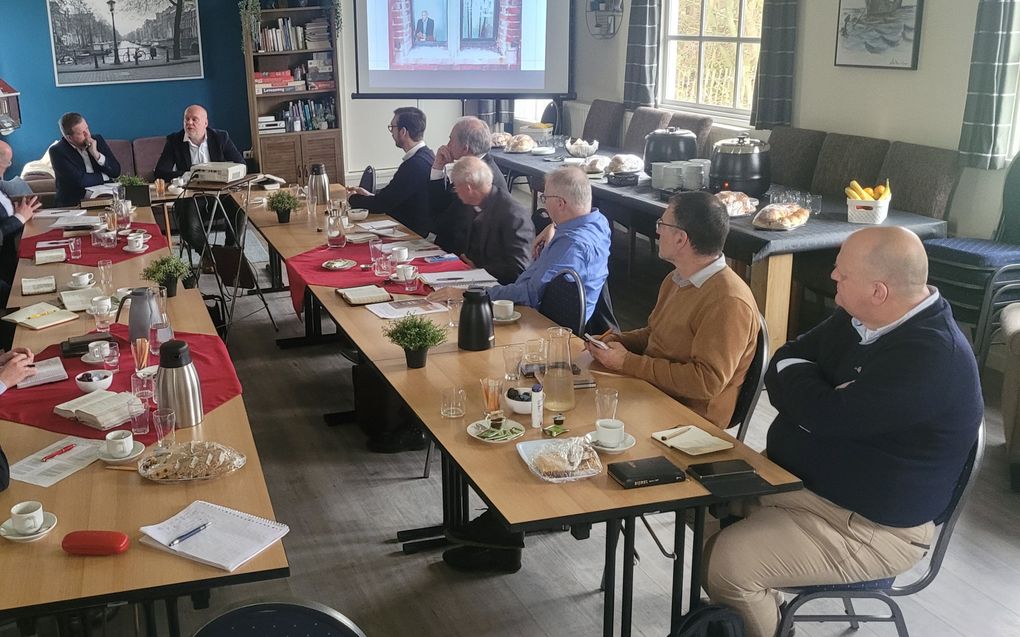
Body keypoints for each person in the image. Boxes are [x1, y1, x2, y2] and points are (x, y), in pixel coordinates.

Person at [704, 227, 983, 637]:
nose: (832, 275)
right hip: (799, 485)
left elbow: (825, 416)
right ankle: (756, 614)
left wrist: (817, 400)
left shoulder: (932, 357)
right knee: (697, 497)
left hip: (869, 525)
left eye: (842, 273)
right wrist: (822, 396)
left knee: (726, 566)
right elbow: (785, 360)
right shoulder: (858, 318)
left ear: (879, 291)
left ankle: (760, 618)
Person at [586, 192, 759, 428]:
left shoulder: (729, 301)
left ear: (680, 239)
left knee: (588, 422)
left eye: (662, 224)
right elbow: (656, 334)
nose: (657, 231)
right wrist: (615, 341)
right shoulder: (676, 278)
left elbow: (706, 383)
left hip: (689, 421)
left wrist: (627, 362)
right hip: (652, 393)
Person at [430, 166, 610, 324]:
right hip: (534, 303)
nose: (543, 203)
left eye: (544, 197)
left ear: (561, 204)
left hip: (538, 321)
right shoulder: (599, 223)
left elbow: (528, 295)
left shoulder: (570, 246)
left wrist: (468, 294)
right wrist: (553, 226)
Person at [154, 105, 246, 250]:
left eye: (194, 119)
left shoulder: (221, 137)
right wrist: (189, 175)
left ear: (205, 123)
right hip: (191, 197)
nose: (189, 123)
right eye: (186, 119)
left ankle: (231, 252)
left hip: (220, 194)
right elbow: (160, 172)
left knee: (240, 210)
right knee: (189, 227)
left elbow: (240, 164)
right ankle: (210, 256)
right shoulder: (174, 141)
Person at [346, 107, 435, 236]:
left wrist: (352, 198)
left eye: (392, 127)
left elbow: (382, 205)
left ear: (403, 131)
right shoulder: (427, 155)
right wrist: (368, 196)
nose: (391, 132)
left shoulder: (415, 165)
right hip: (407, 229)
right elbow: (392, 198)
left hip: (412, 235)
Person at [428, 116, 508, 255]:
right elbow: (443, 206)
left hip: (468, 257)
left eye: (451, 140)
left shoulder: (478, 178)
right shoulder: (476, 167)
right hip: (457, 245)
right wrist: (438, 167)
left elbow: (443, 223)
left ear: (465, 148)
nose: (447, 145)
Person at [447, 156, 533, 285]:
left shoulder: (513, 215)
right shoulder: (475, 203)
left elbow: (518, 269)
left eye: (456, 187)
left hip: (501, 290)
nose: (455, 192)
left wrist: (478, 270)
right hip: (473, 279)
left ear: (468, 188)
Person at [0, 141, 42, 304]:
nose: (7, 167)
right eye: (7, 162)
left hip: (15, 258)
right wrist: (19, 218)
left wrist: (19, 212)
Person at [49, 112, 121, 206]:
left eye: (87, 128)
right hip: (75, 203)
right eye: (81, 133)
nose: (87, 135)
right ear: (69, 138)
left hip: (103, 198)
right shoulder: (57, 151)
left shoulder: (97, 140)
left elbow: (116, 172)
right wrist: (105, 176)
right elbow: (80, 180)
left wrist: (96, 154)